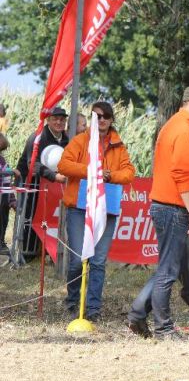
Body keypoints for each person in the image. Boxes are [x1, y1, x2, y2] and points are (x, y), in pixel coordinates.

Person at [127, 84, 189, 340]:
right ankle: (163, 328)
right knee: (169, 270)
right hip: (174, 207)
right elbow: (182, 175)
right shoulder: (184, 130)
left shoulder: (174, 125)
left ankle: (137, 314)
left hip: (165, 205)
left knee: (168, 267)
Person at [57, 102, 135, 321]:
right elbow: (63, 165)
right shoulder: (80, 140)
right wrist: (91, 171)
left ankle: (93, 309)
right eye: (97, 116)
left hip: (106, 208)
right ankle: (72, 302)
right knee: (77, 260)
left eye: (106, 116)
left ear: (111, 120)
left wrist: (109, 175)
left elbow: (129, 173)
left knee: (98, 261)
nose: (102, 120)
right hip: (78, 208)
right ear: (92, 118)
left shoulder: (118, 145)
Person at [13, 107, 70, 259]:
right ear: (48, 120)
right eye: (55, 119)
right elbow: (33, 164)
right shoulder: (37, 137)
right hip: (31, 183)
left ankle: (45, 250)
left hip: (51, 186)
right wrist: (54, 176)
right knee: (30, 216)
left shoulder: (67, 138)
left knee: (48, 217)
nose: (59, 122)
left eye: (62, 119)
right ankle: (26, 252)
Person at [0, 133, 17, 256]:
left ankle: (1, 242)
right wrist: (10, 171)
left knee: (3, 220)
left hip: (3, 199)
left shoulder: (2, 160)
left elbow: (7, 181)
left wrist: (12, 200)